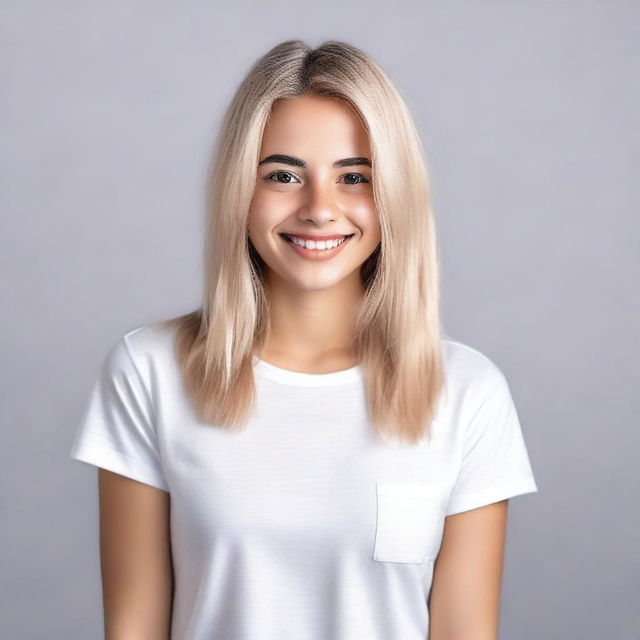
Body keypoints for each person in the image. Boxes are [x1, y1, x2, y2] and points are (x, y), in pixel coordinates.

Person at [69, 39, 538, 640]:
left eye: (354, 177)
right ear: (240, 191)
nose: (320, 209)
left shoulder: (468, 392)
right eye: (284, 175)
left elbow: (464, 631)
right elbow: (134, 628)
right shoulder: (150, 370)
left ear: (394, 194)